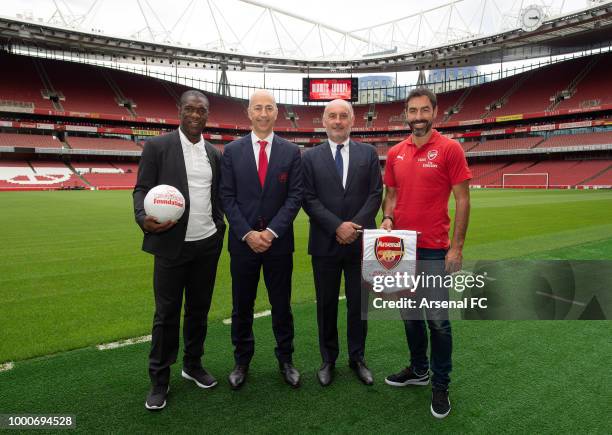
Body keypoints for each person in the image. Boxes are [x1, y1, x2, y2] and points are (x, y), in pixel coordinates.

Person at [381, 87, 471, 419]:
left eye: (423, 110)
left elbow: (463, 199)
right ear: (406, 114)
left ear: (435, 112)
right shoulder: (395, 153)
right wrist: (388, 216)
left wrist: (457, 247)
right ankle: (419, 371)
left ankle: (441, 384)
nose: (417, 117)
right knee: (410, 314)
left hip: (434, 249)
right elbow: (390, 194)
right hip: (401, 247)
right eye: (412, 111)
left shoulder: (450, 149)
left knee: (438, 322)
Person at [133, 90, 225, 411]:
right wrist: (144, 219)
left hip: (208, 244)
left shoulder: (214, 153)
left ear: (207, 114)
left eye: (201, 110)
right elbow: (141, 189)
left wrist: (220, 225)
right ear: (179, 111)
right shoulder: (158, 146)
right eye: (190, 109)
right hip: (172, 246)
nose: (196, 115)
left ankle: (193, 364)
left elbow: (218, 196)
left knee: (199, 311)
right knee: (166, 314)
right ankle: (159, 378)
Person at [220, 90, 303, 389]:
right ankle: (241, 361)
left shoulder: (292, 152)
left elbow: (295, 198)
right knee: (242, 306)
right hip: (243, 245)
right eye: (258, 108)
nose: (264, 113)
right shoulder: (231, 151)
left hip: (278, 244)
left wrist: (270, 232)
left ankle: (286, 359)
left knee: (282, 305)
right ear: (249, 113)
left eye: (269, 108)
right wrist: (247, 233)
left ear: (277, 112)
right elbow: (226, 197)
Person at [302, 99, 382, 386]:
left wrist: (353, 227)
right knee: (326, 304)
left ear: (352, 121)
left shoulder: (369, 154)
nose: (338, 121)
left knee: (359, 305)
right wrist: (337, 226)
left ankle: (357, 357)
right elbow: (308, 199)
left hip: (360, 244)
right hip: (325, 243)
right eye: (332, 116)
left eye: (343, 116)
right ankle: (328, 359)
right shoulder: (308, 158)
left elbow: (375, 194)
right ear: (323, 121)